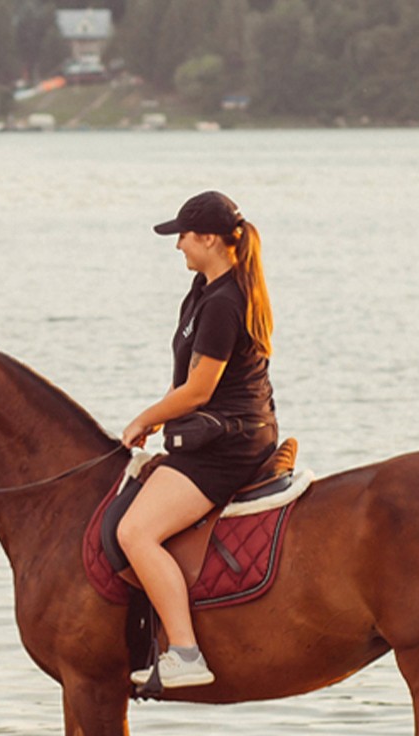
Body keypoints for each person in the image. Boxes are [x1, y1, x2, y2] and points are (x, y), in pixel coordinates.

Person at [118, 191, 279, 690]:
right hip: (206, 434)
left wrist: (144, 416)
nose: (178, 247)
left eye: (183, 237)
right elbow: (184, 382)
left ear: (209, 238)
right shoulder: (203, 291)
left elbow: (201, 389)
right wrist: (157, 422)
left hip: (230, 447)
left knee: (136, 533)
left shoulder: (226, 302)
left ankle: (185, 653)